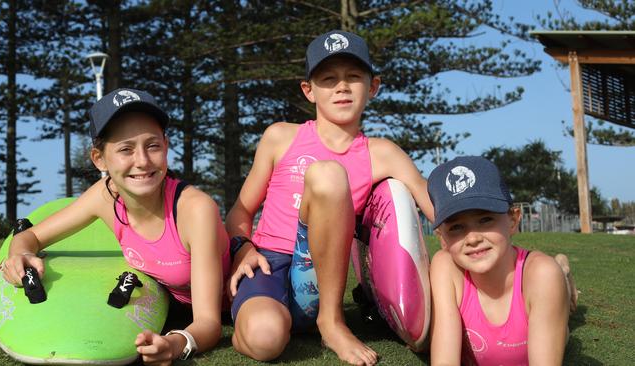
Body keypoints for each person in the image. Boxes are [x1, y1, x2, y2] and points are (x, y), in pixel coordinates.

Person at [225, 30, 435, 366]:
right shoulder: (279, 137)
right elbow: (241, 210)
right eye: (328, 79)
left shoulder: (383, 154)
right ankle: (248, 318)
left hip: (320, 279)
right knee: (265, 340)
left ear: (373, 86)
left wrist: (479, 224)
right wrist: (242, 248)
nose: (341, 87)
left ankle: (332, 322)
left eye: (354, 77)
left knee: (328, 174)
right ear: (309, 90)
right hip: (268, 262)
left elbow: (431, 203)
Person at [0, 88, 230, 365]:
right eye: (125, 149)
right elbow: (32, 235)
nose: (142, 161)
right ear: (99, 159)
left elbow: (208, 322)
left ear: (166, 146)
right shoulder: (105, 196)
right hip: (176, 305)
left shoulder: (195, 209)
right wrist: (20, 254)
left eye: (153, 145)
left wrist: (174, 344)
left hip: (232, 302)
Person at [428, 156, 577, 366]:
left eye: (485, 219)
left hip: (543, 288)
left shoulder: (542, 275)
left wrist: (555, 276)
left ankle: (562, 272)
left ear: (513, 220)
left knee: (553, 278)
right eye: (456, 227)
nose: (473, 238)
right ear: (442, 239)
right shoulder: (445, 267)